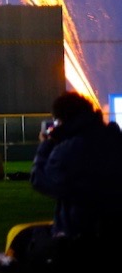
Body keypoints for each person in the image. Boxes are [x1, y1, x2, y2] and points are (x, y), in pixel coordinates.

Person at [7, 91, 122, 271]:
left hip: (80, 238)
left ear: (61, 120)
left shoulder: (70, 149)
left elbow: (40, 180)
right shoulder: (113, 137)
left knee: (21, 240)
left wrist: (46, 145)